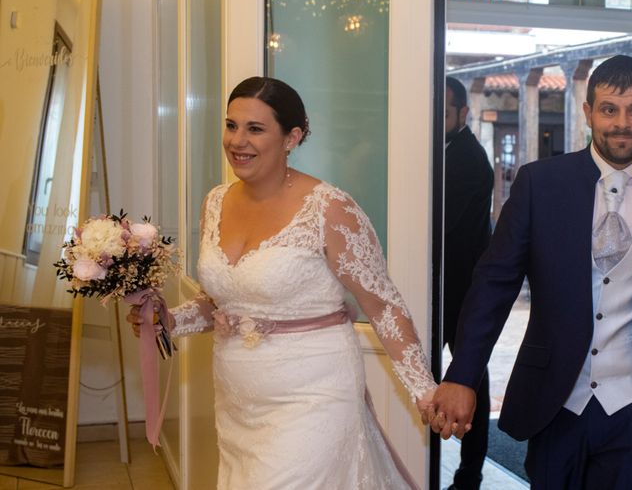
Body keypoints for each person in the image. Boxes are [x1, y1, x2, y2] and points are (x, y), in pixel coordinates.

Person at [128, 76, 436, 489]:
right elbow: (222, 300)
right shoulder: (216, 202)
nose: (238, 140)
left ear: (292, 137)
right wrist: (166, 321)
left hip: (314, 397)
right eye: (231, 125)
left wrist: (425, 391)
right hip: (238, 401)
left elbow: (383, 306)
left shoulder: (329, 208)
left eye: (255, 129)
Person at [429, 55, 632, 489]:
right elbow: (494, 285)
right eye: (609, 109)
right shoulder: (539, 184)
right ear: (588, 112)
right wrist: (463, 374)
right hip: (556, 400)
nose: (622, 123)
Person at [442, 77, 494, 490]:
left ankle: (469, 473)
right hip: (442, 289)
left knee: (470, 378)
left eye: (444, 113)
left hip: (462, 289)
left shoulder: (470, 160)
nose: (437, 120)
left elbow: (445, 227)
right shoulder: (441, 151)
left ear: (463, 114)